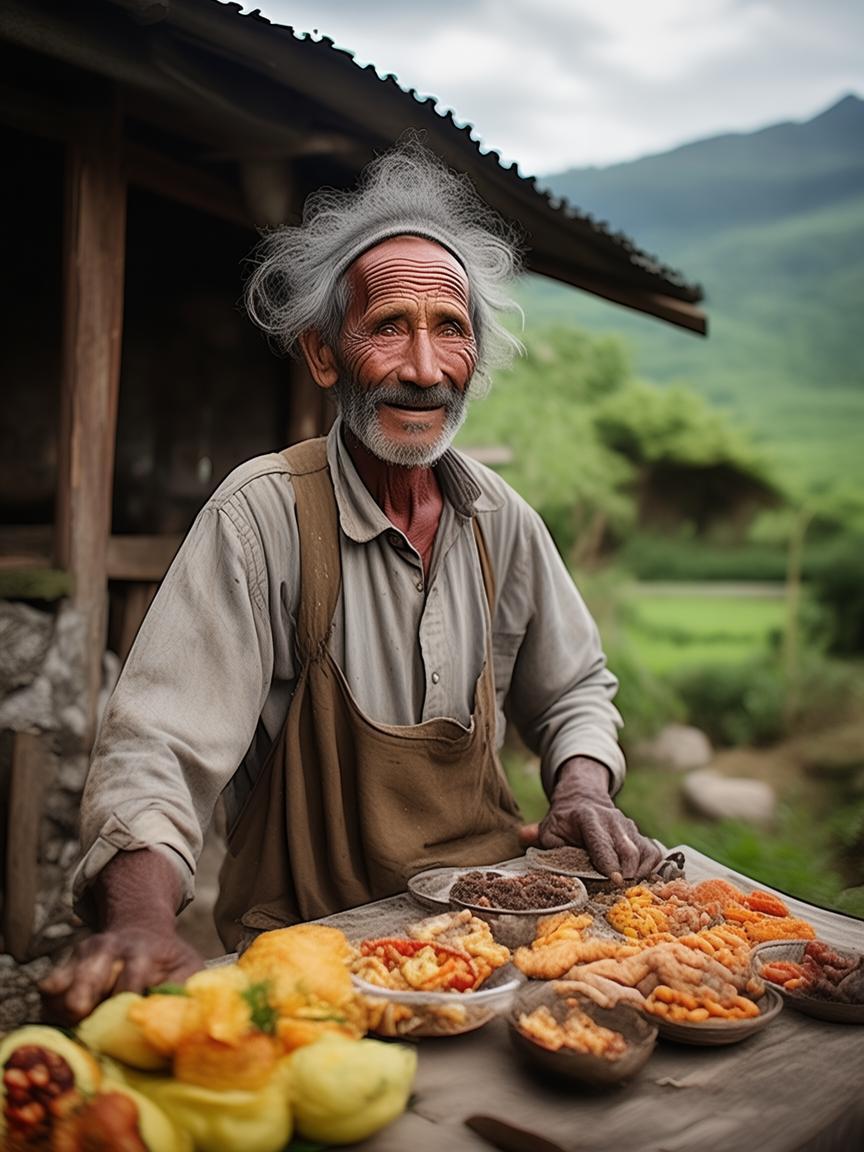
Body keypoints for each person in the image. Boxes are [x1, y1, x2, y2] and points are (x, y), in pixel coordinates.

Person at [42, 141, 662, 1023]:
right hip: (312, 958)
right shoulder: (262, 515)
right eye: (388, 326)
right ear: (325, 355)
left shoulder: (500, 520)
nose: (423, 367)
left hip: (488, 947)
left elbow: (574, 692)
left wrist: (581, 788)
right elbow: (158, 751)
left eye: (450, 329)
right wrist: (140, 921)